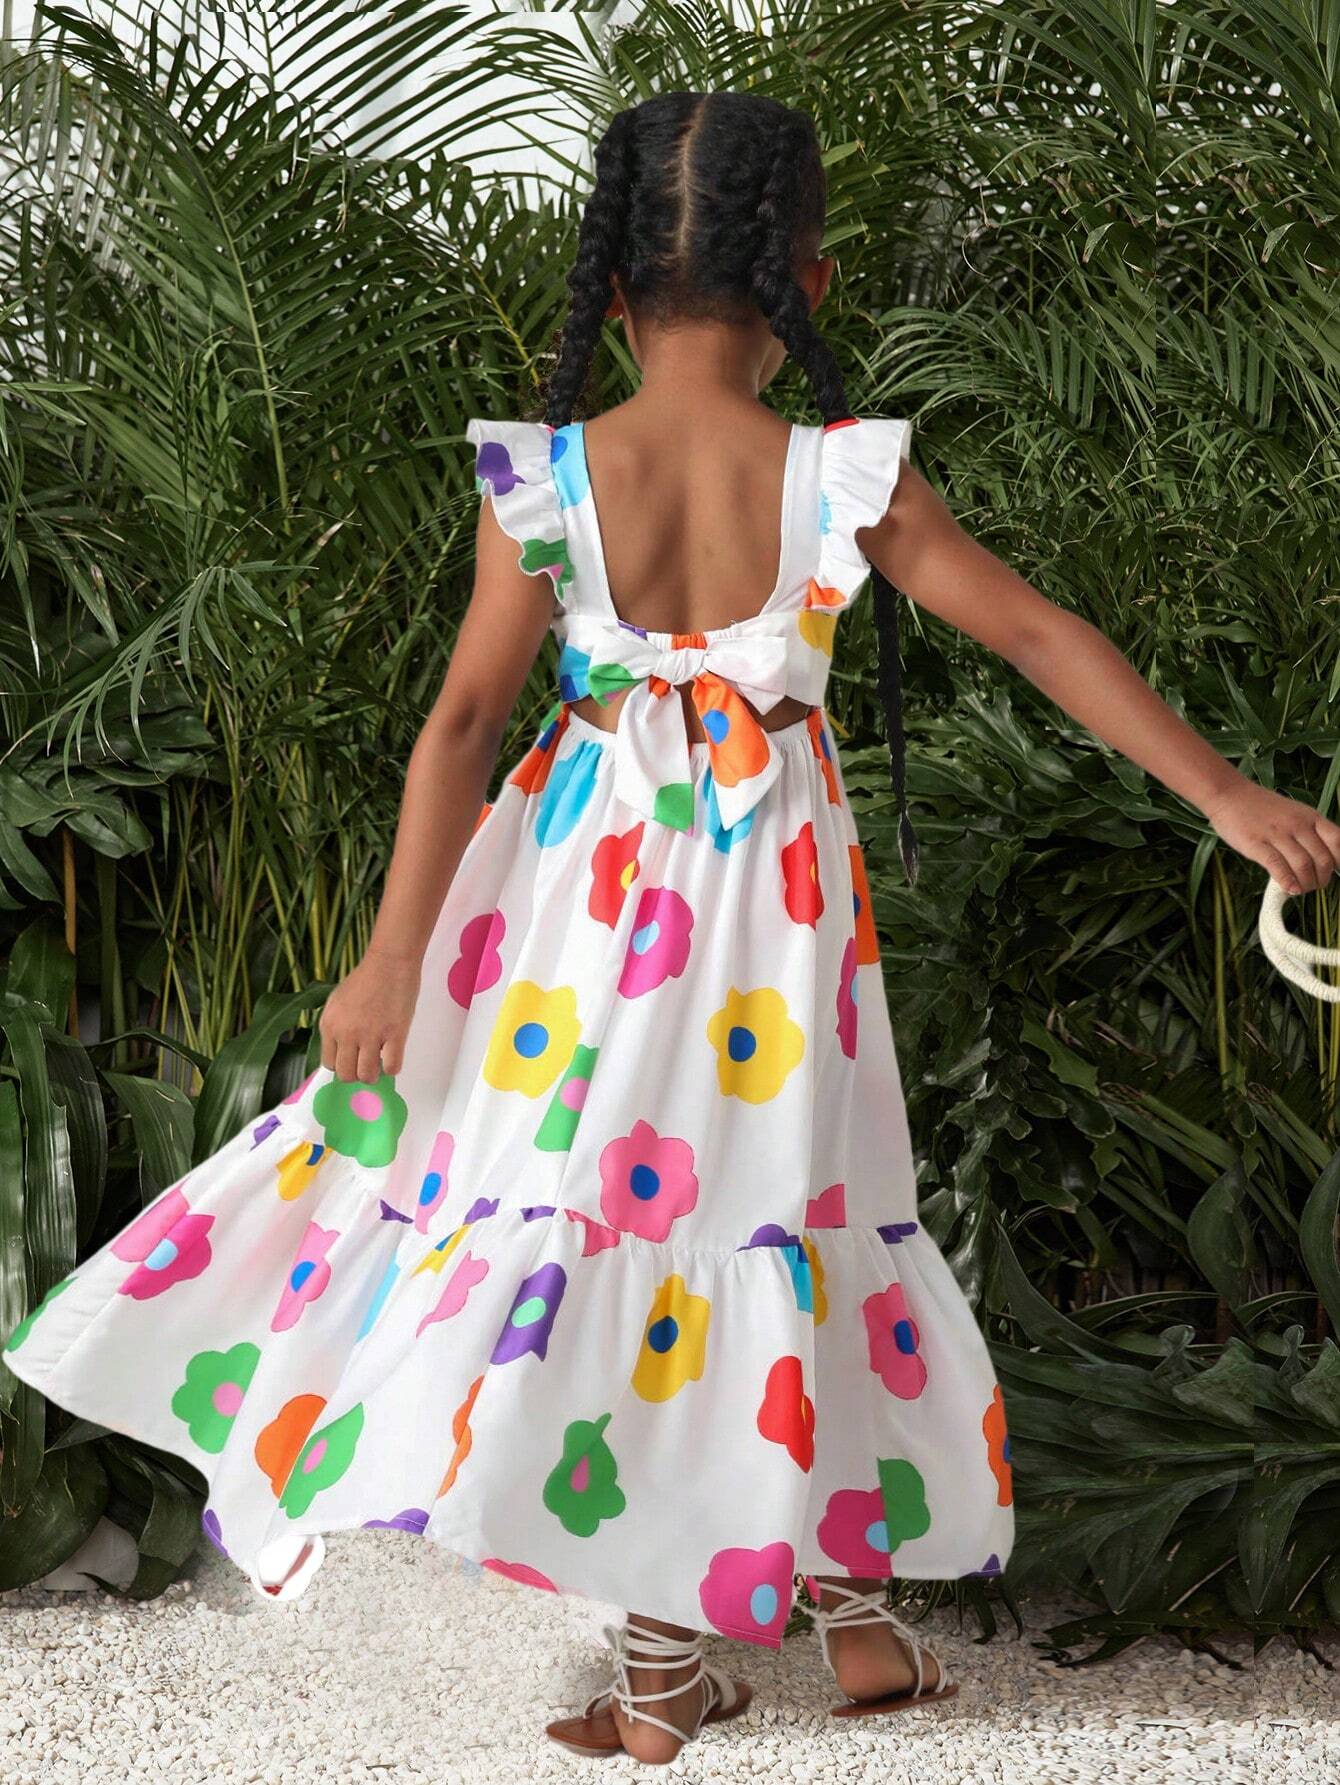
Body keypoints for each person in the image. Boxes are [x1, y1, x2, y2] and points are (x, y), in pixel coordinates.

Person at [6, 89, 1337, 1770]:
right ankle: (847, 1605)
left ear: (615, 291)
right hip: (776, 924)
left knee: (629, 1221)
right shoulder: (838, 478)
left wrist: (395, 956)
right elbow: (1038, 636)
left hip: (581, 918)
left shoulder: (555, 477)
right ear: (809, 284)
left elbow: (460, 726)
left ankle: (666, 1671)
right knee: (794, 1198)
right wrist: (1227, 795)